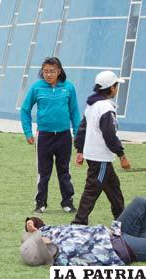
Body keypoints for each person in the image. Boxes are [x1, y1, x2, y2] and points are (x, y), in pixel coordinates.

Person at [20, 57, 81, 214]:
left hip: (64, 136)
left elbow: (74, 112)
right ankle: (40, 204)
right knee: (43, 172)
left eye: (52, 71)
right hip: (44, 136)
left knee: (64, 171)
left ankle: (67, 203)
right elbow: (25, 110)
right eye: (45, 71)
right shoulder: (37, 88)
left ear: (59, 71)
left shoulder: (68, 88)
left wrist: (77, 134)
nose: (48, 74)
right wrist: (28, 132)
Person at [72, 71, 130, 225]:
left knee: (114, 189)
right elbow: (109, 135)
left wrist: (79, 150)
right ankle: (78, 223)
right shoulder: (105, 107)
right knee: (92, 190)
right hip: (101, 158)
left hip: (95, 156)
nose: (117, 89)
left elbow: (82, 129)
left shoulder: (92, 105)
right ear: (111, 88)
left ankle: (122, 220)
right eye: (116, 85)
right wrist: (122, 155)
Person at [21, 197, 146, 266]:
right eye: (38, 238)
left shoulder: (50, 236)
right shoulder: (65, 256)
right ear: (44, 247)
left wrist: (32, 222)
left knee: (139, 203)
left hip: (115, 232)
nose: (38, 235)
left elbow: (42, 228)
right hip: (121, 247)